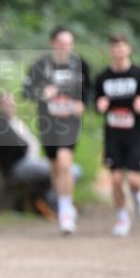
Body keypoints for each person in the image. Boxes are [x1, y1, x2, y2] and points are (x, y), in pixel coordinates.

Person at [22, 25, 90, 235]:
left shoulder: (80, 65)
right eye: (61, 43)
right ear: (53, 43)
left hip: (70, 123)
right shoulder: (40, 66)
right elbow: (26, 91)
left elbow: (89, 90)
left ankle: (65, 210)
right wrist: (43, 93)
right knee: (55, 167)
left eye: (68, 44)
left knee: (64, 161)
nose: (64, 47)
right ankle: (63, 202)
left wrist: (83, 104)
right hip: (48, 123)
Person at [94, 34, 140, 236]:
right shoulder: (103, 77)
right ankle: (122, 217)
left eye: (121, 47)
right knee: (117, 179)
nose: (118, 51)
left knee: (134, 180)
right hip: (113, 134)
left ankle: (137, 197)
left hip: (137, 133)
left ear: (129, 49)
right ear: (110, 51)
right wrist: (99, 105)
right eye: (114, 47)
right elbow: (95, 101)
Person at [0, 91, 55, 217]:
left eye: (12, 102)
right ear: (0, 104)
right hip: (17, 165)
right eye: (6, 102)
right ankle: (52, 205)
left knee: (64, 170)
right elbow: (15, 146)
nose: (10, 105)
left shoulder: (16, 122)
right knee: (60, 170)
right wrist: (25, 146)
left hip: (29, 161)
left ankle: (45, 203)